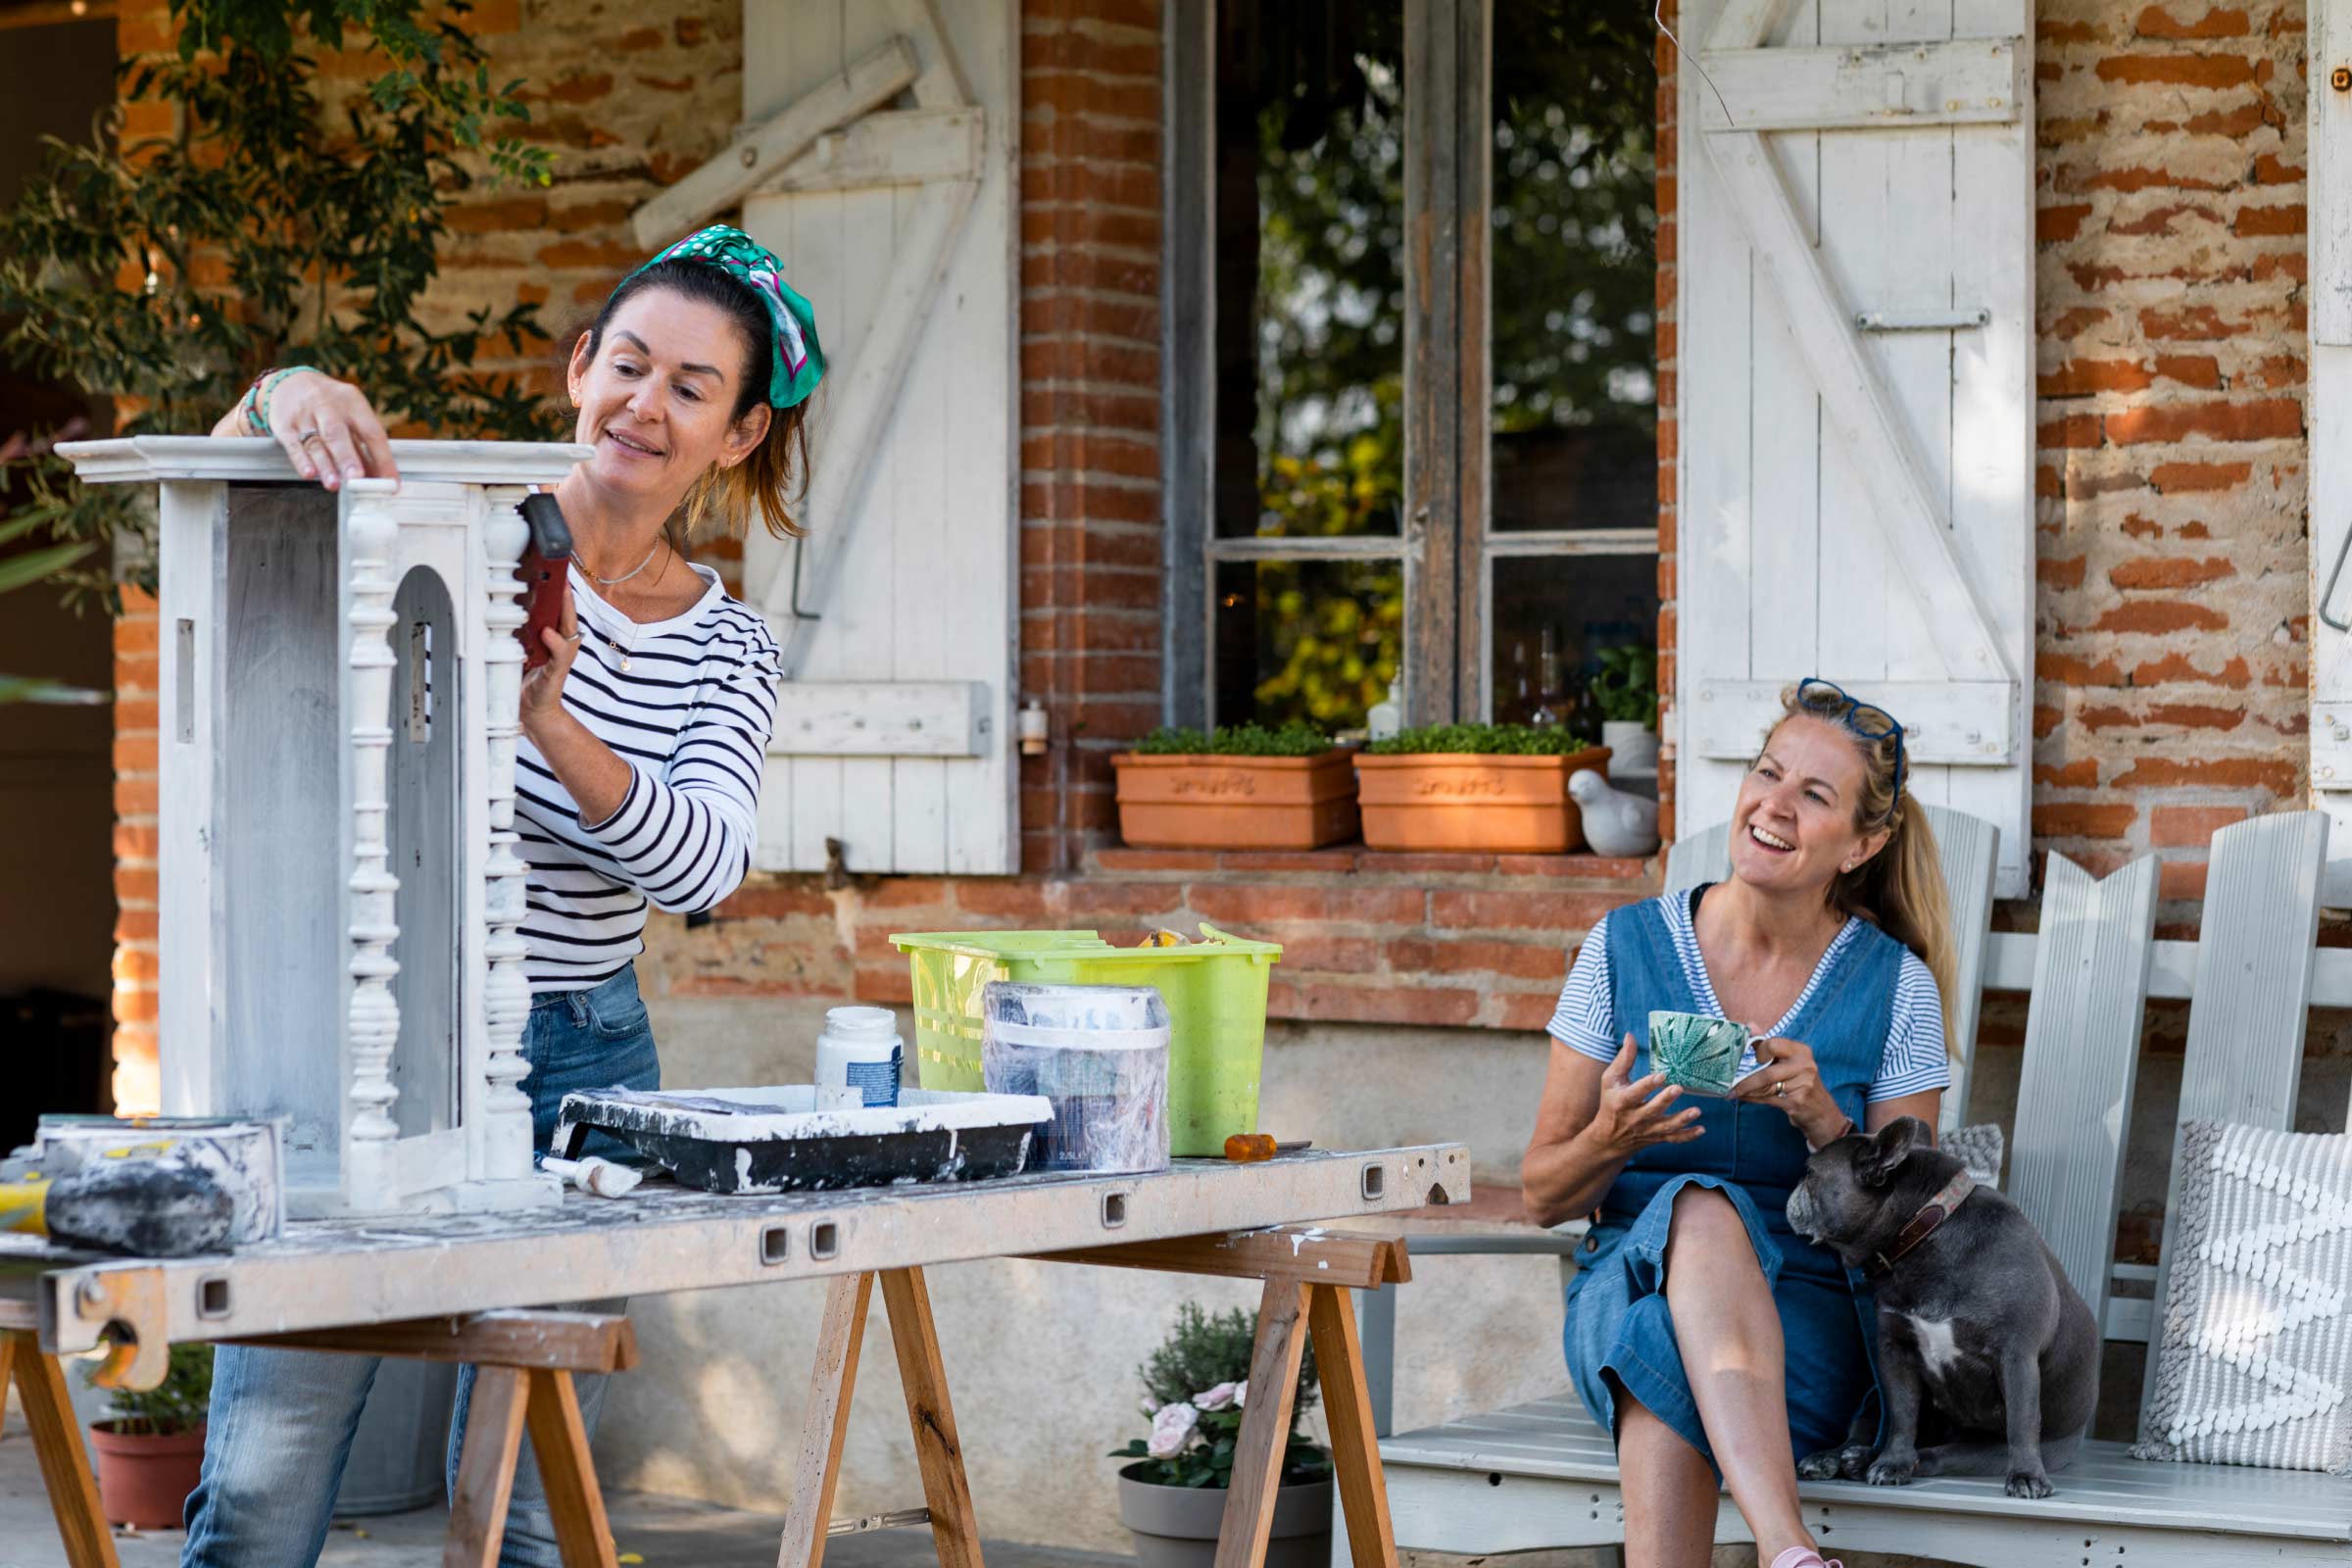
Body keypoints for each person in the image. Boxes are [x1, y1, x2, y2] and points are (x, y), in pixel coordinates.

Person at [180, 223, 822, 1568]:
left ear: (740, 433)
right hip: (375, 1043)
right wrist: (290, 389)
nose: (647, 404)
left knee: (535, 1511)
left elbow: (702, 867)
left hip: (583, 1059)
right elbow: (252, 444)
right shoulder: (446, 521)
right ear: (581, 368)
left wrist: (549, 717)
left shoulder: (730, 643)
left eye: (691, 388)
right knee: (261, 1489)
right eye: (629, 364)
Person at [1521, 679, 1956, 1568]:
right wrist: (1612, 1139)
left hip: (1808, 1318)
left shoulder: (1895, 986)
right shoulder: (1621, 946)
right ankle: (1786, 1547)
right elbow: (1539, 1196)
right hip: (1628, 1280)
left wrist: (1828, 1126)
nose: (1775, 805)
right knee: (1695, 1205)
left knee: (1658, 1350)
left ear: (1863, 844)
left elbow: (1920, 1239)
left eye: (1815, 796)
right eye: (1769, 773)